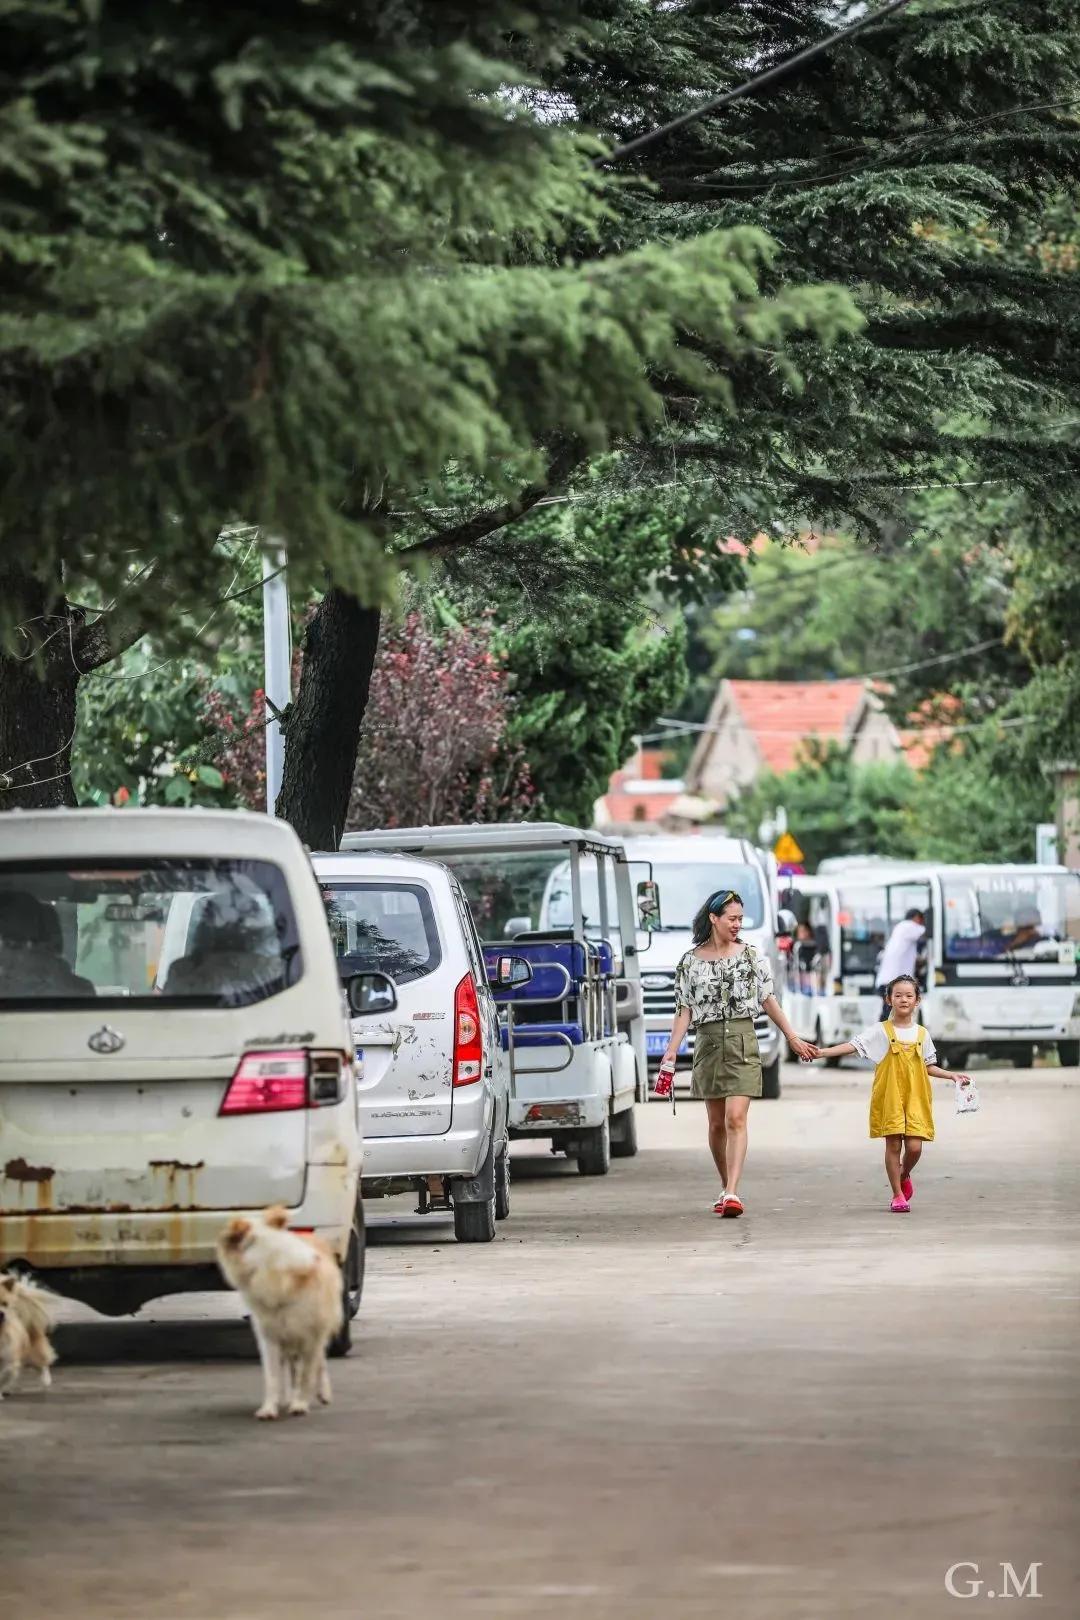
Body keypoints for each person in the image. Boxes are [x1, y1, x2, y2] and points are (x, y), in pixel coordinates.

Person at [655, 889, 815, 1219]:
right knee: (715, 1124)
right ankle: (725, 1183)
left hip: (743, 1040)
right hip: (709, 1043)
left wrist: (792, 1037)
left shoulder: (752, 957)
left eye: (741, 919)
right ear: (714, 919)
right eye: (732, 918)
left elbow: (768, 999)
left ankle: (732, 1191)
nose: (737, 924)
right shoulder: (690, 962)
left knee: (735, 1118)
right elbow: (684, 1009)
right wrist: (671, 1052)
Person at [810, 973, 971, 1213]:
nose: (903, 999)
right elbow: (853, 1046)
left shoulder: (922, 1034)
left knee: (915, 1147)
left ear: (917, 1000)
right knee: (893, 1146)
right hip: (890, 1097)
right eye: (898, 995)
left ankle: (904, 1174)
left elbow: (929, 1066)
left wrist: (952, 1075)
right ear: (889, 1000)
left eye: (909, 995)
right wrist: (822, 1052)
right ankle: (897, 1194)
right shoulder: (881, 1031)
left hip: (916, 1097)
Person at [875, 908, 926, 1017]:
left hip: (888, 981)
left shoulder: (901, 930)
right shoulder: (908, 926)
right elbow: (930, 931)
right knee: (891, 1017)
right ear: (917, 918)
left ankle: (883, 1033)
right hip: (893, 982)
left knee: (890, 1015)